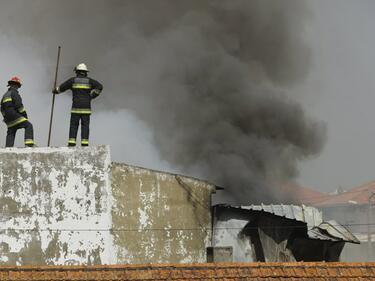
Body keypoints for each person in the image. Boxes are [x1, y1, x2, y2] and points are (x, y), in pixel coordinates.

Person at [53, 63, 103, 147]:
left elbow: (61, 88)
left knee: (74, 125)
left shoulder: (73, 80)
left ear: (77, 72)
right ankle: (84, 144)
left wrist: (55, 90)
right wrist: (92, 96)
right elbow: (100, 86)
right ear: (86, 72)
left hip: (75, 108)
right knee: (85, 126)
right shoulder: (90, 81)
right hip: (86, 108)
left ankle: (71, 143)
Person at [1, 77, 34, 147]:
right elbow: (19, 106)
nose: (17, 87)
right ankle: (29, 144)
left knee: (11, 131)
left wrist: (6, 117)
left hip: (8, 118)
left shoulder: (5, 95)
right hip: (15, 115)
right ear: (16, 85)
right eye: (17, 85)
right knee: (28, 125)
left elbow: (1, 109)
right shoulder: (14, 93)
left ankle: (8, 148)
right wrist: (25, 116)